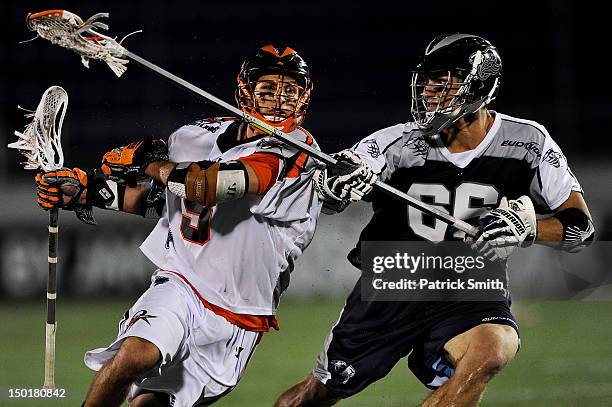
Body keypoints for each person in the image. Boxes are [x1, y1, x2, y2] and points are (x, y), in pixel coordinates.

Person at [274, 33, 595, 407]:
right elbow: (341, 183)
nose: (430, 91)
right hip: (394, 280)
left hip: (472, 283)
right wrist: (338, 183)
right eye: (428, 81)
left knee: (492, 349)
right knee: (315, 395)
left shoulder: (528, 142)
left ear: (480, 86)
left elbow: (580, 228)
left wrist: (530, 228)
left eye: (445, 82)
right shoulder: (397, 142)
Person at [35, 44, 322, 407]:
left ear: (304, 96)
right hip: (180, 281)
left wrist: (149, 162)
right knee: (134, 355)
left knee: (147, 405)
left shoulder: (299, 149)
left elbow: (212, 185)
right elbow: (158, 198)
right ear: (246, 92)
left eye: (290, 91)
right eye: (268, 90)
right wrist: (83, 192)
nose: (279, 100)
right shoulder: (193, 136)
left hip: (240, 312)